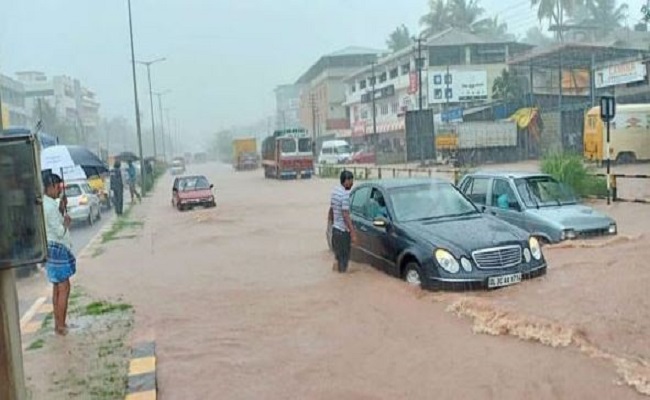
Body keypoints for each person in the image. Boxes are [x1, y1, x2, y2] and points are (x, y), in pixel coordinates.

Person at [42, 172, 75, 336]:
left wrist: (61, 209)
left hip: (50, 247)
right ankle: (61, 325)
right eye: (58, 187)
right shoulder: (49, 207)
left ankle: (58, 324)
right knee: (64, 287)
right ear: (51, 186)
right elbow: (60, 231)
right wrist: (66, 222)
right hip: (57, 248)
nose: (59, 191)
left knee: (57, 287)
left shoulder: (47, 204)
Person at [328, 170, 356, 273]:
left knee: (338, 259)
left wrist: (330, 225)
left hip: (336, 231)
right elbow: (345, 215)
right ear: (346, 181)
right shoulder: (345, 195)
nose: (352, 183)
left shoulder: (335, 191)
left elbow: (331, 209)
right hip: (343, 233)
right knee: (344, 262)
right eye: (351, 181)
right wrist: (352, 233)